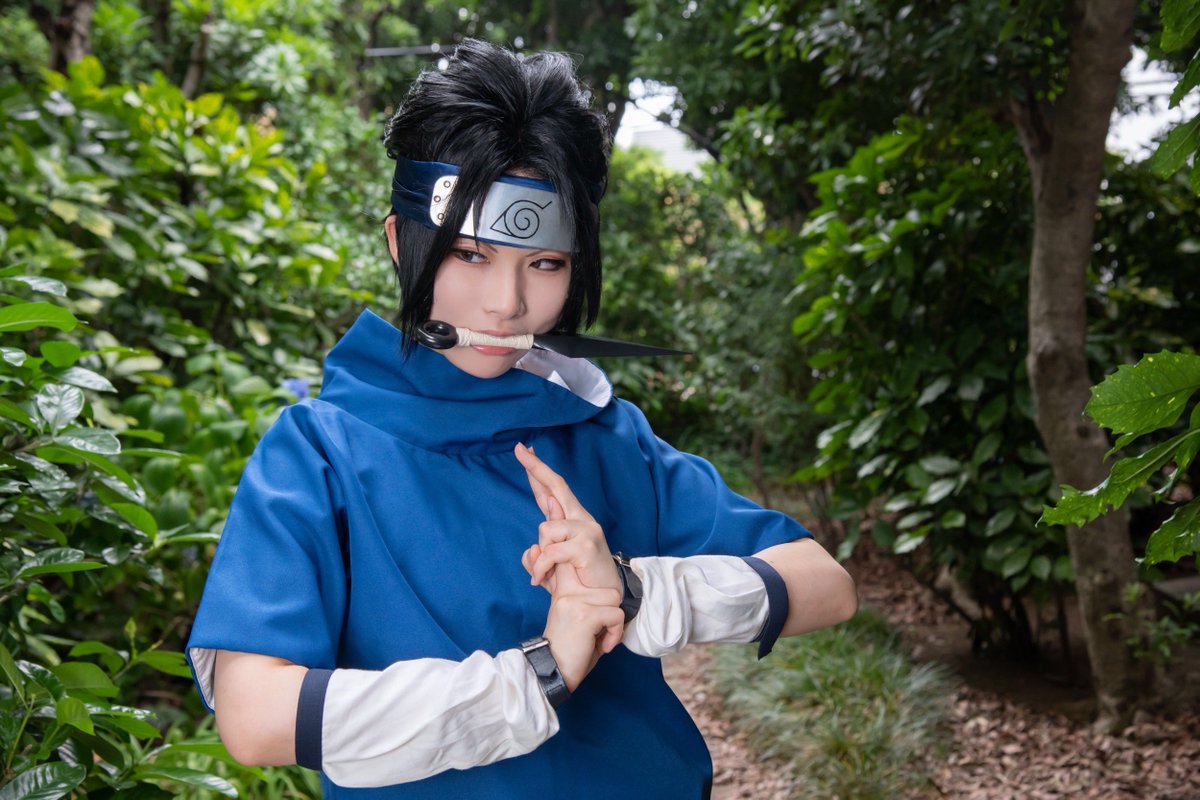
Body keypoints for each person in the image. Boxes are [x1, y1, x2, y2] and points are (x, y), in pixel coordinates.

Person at [186, 38, 857, 799]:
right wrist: (538, 675)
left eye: (544, 264)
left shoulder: (604, 434)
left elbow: (827, 585)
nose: (506, 304)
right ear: (402, 242)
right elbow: (254, 716)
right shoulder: (317, 453)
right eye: (469, 256)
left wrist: (637, 593)